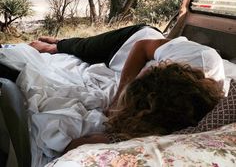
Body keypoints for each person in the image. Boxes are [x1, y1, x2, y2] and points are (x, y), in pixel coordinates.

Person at [27, 24, 225, 152]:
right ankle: (55, 44)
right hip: (132, 40)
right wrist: (119, 95)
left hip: (120, 65)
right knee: (82, 48)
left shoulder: (187, 114)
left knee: (88, 55)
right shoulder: (203, 57)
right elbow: (141, 47)